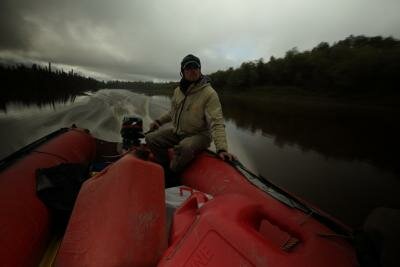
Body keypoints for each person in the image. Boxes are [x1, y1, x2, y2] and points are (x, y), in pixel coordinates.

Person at [145, 54, 236, 182]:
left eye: (195, 67)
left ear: (200, 69)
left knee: (185, 147)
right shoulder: (178, 91)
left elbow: (217, 122)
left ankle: (172, 173)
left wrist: (221, 148)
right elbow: (172, 112)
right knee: (151, 138)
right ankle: (164, 165)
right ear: (182, 72)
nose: (192, 70)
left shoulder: (209, 94)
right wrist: (159, 121)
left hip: (200, 135)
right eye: (188, 68)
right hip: (178, 132)